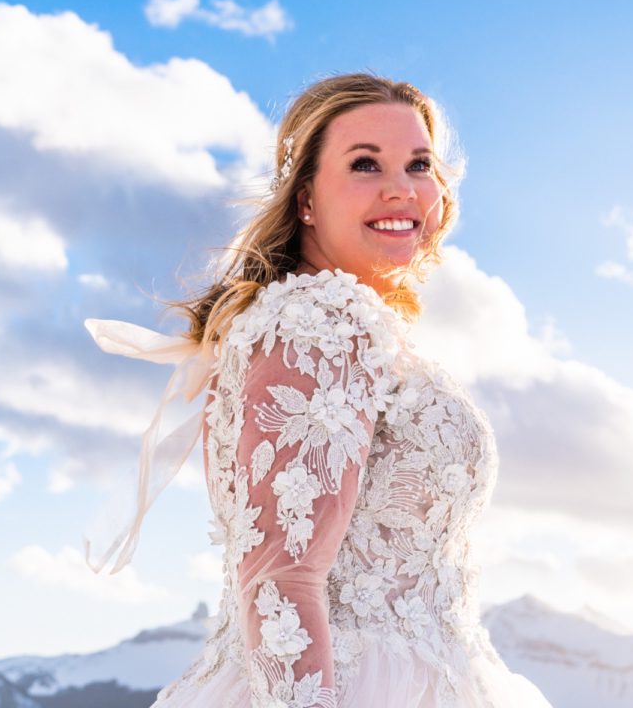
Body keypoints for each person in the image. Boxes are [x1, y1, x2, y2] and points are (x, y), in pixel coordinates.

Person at [83, 73, 554, 707]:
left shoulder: (345, 322)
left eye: (419, 163)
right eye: (365, 163)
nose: (401, 187)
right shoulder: (318, 323)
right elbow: (281, 579)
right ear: (305, 198)